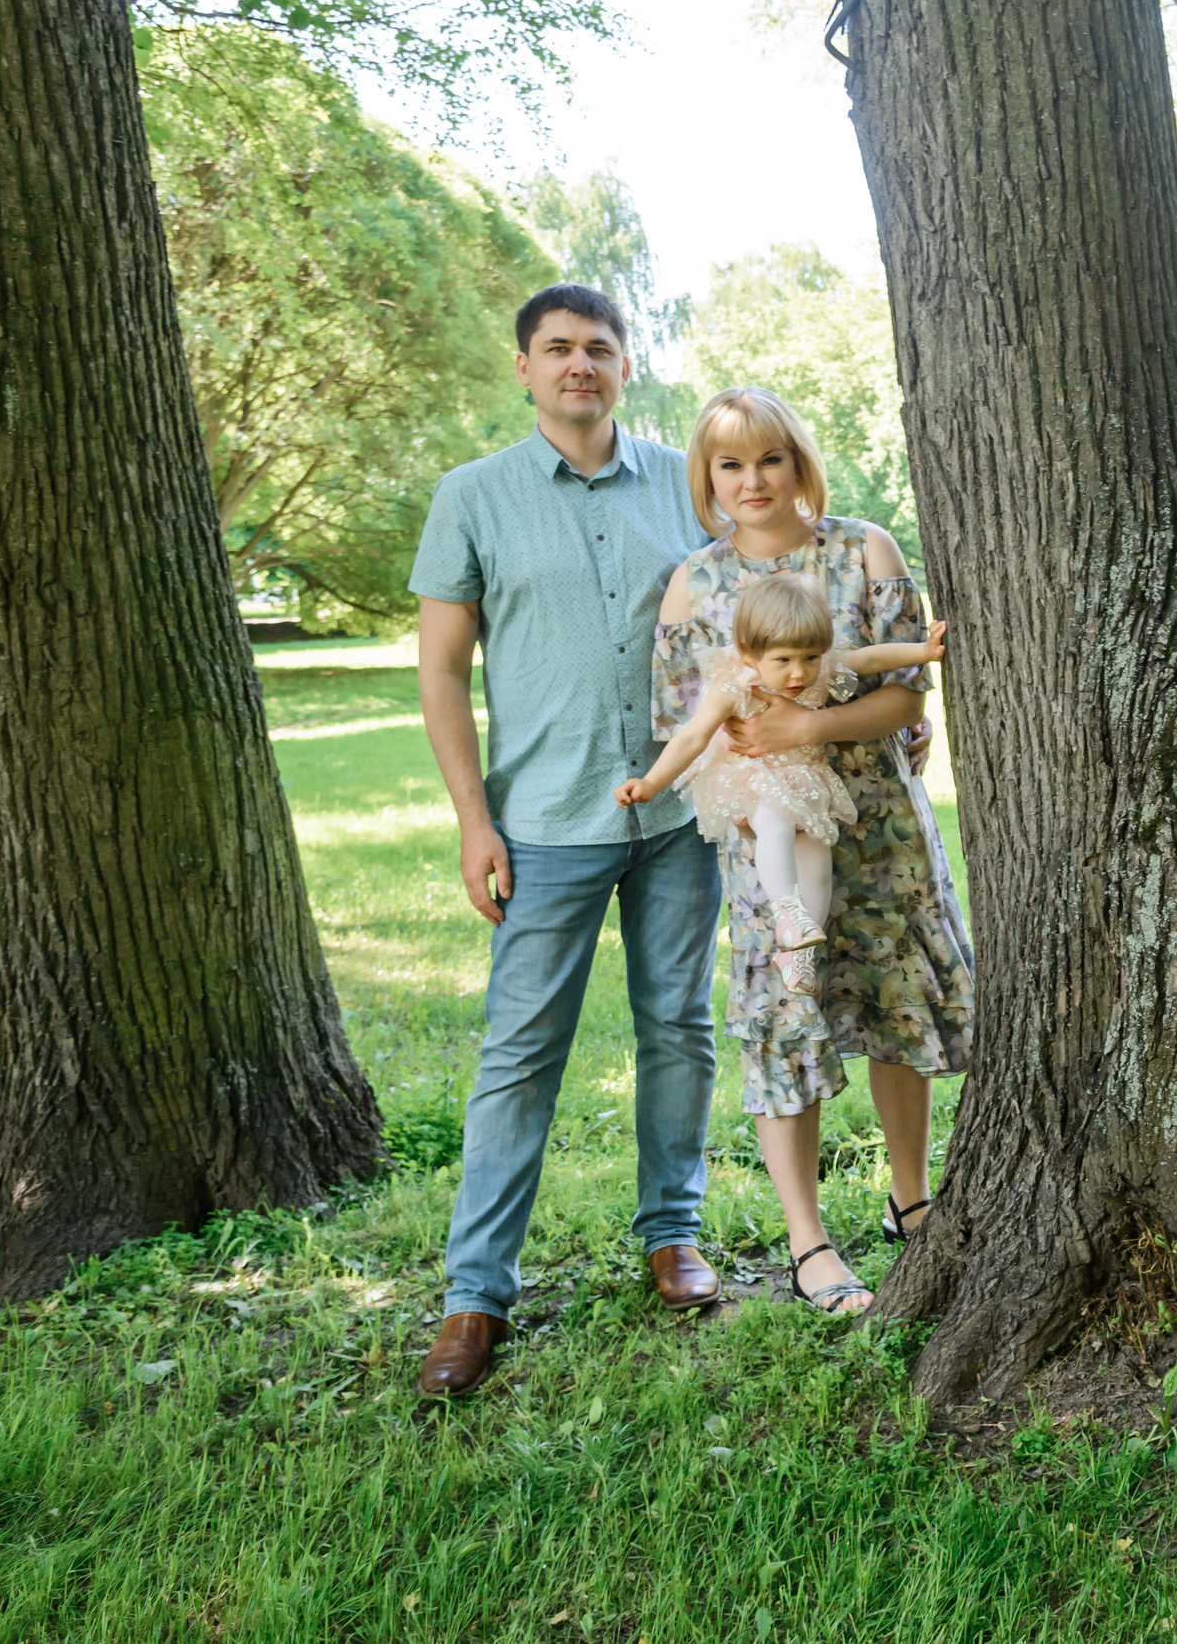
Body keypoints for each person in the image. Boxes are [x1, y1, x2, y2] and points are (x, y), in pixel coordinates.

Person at [411, 284, 722, 1399]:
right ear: (524, 369)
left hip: (681, 818)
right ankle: (473, 1293)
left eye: (599, 346)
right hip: (542, 824)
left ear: (625, 366)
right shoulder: (472, 496)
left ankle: (671, 1234)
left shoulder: (687, 489)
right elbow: (441, 670)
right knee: (518, 1055)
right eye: (558, 349)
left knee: (678, 1027)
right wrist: (472, 819)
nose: (579, 364)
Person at [652, 386, 973, 1316]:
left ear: (798, 461)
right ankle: (808, 1242)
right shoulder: (694, 584)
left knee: (891, 999)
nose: (752, 481)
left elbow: (907, 696)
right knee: (786, 1011)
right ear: (708, 477)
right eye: (729, 464)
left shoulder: (861, 548)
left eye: (769, 459)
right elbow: (685, 718)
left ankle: (910, 1198)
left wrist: (809, 721)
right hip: (771, 841)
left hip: (877, 823)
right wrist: (765, 744)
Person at [619, 572, 948, 997]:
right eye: (785, 661)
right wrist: (650, 782)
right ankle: (787, 912)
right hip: (749, 779)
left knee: (817, 864)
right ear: (750, 654)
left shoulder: (818, 665)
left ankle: (797, 952)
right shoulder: (734, 680)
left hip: (804, 781)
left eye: (810, 658)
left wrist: (924, 651)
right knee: (773, 819)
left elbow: (870, 659)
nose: (799, 673)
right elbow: (692, 736)